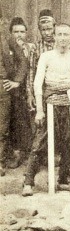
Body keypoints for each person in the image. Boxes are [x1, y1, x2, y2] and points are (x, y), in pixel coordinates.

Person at [22, 23, 70, 195]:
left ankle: (63, 179)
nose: (63, 38)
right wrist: (40, 110)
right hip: (50, 99)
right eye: (60, 34)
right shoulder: (46, 56)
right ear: (55, 36)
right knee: (40, 141)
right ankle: (28, 182)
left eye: (66, 34)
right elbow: (38, 83)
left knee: (69, 141)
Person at [5, 18, 34, 168]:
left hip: (27, 88)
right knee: (13, 121)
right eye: (16, 31)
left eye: (22, 31)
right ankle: (15, 153)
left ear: (26, 33)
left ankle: (29, 153)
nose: (19, 35)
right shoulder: (7, 48)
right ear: (11, 33)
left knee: (26, 121)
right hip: (11, 89)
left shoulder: (31, 48)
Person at [0, 24, 28, 178]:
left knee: (2, 126)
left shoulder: (7, 39)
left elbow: (23, 61)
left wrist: (16, 81)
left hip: (2, 86)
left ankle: (0, 162)